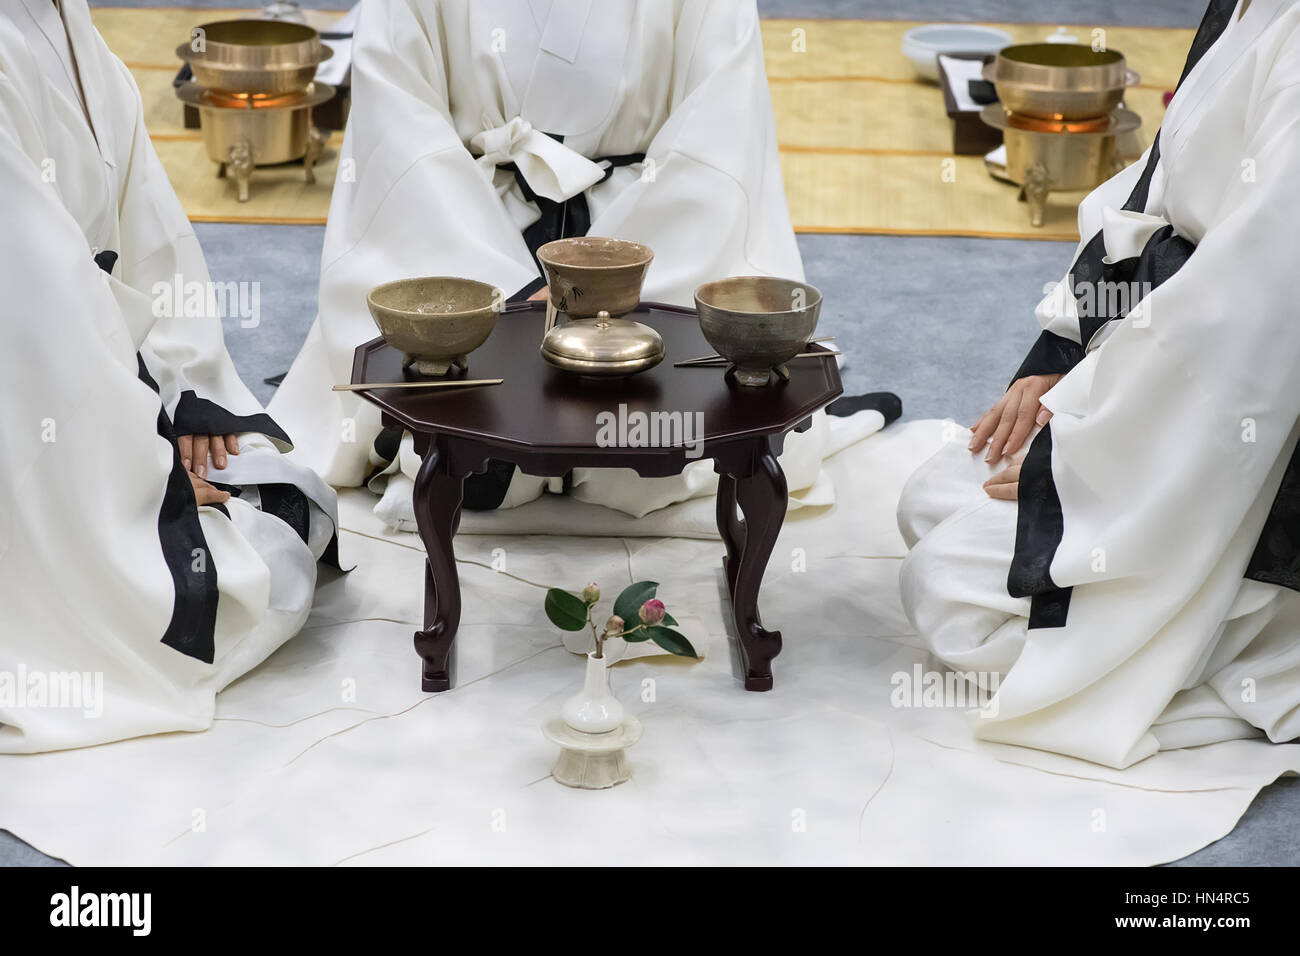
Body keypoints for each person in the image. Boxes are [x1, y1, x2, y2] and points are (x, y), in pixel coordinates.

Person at [269, 0, 889, 527]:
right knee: (478, 434)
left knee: (650, 452)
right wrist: (505, 299)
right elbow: (398, 129)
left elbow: (719, 137)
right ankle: (485, 402)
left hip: (644, 220)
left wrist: (608, 281)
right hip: (474, 213)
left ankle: (547, 418)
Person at [897, 0, 1300, 769]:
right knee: (930, 497)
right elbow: (1154, 190)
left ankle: (1265, 642)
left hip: (1242, 436)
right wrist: (1064, 346)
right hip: (1156, 360)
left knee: (948, 588)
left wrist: (1083, 462)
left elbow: (1248, 317)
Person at [0, 0, 338, 751]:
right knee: (233, 587)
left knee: (292, 499)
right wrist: (145, 464)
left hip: (105, 364)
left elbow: (145, 233)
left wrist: (183, 396)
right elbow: (33, 315)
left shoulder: (66, 20)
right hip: (30, 409)